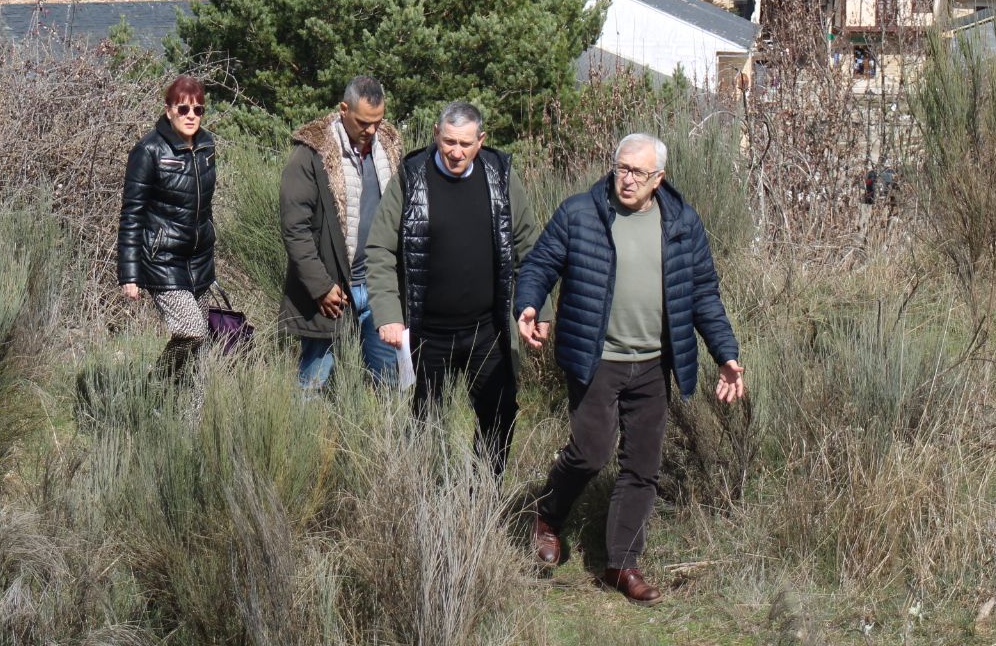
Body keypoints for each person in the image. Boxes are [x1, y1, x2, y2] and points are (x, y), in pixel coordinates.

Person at [515, 132, 746, 605]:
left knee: (643, 465)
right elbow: (540, 264)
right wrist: (529, 304)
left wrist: (725, 354)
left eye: (638, 172)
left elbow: (703, 294)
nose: (627, 179)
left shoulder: (681, 222)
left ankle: (622, 564)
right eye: (622, 168)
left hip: (654, 363)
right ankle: (548, 517)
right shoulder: (580, 213)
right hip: (595, 358)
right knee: (590, 453)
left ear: (658, 178)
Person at [367, 100, 538, 472]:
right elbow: (379, 248)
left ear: (481, 141)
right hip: (428, 333)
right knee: (424, 422)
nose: (456, 152)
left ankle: (482, 493)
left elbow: (528, 245)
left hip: (487, 329)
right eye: (448, 142)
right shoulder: (411, 176)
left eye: (465, 143)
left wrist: (535, 305)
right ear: (435, 134)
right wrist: (389, 314)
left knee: (500, 412)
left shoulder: (500, 175)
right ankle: (421, 495)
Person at [280, 75, 404, 388]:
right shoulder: (310, 154)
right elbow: (295, 228)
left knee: (390, 383)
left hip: (379, 286)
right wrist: (320, 286)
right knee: (314, 382)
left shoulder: (389, 147)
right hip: (332, 289)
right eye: (363, 122)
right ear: (343, 110)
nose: (371, 130)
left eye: (378, 122)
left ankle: (380, 424)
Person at [117, 75, 219, 382]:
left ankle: (188, 411)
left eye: (198, 110)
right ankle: (154, 386)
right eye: (183, 109)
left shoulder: (206, 146)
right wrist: (130, 274)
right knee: (192, 331)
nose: (191, 116)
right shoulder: (148, 150)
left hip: (200, 260)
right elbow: (132, 215)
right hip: (163, 260)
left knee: (199, 351)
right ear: (169, 110)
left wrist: (209, 239)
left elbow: (205, 205)